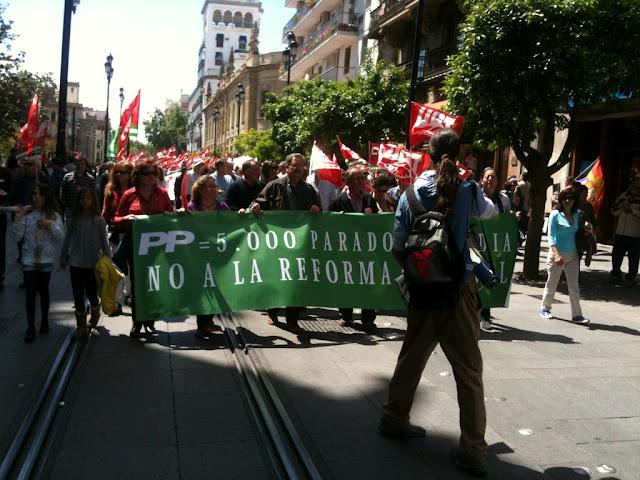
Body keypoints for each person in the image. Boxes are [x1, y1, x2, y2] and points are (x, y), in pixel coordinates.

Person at [379, 129, 495, 478]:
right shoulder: (469, 189)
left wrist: (419, 273)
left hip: (423, 290)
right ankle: (473, 450)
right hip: (459, 291)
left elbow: (398, 246)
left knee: (411, 357)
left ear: (426, 153)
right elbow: (488, 214)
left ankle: (393, 418)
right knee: (469, 372)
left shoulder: (409, 193)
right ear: (460, 153)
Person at [249, 153, 321, 332]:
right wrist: (254, 207)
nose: (297, 170)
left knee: (295, 280)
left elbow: (318, 210)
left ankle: (292, 319)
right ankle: (272, 312)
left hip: (299, 244)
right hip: (277, 243)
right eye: (294, 167)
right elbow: (257, 203)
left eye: (301, 167)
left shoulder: (309, 190)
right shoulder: (274, 186)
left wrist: (316, 209)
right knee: (277, 277)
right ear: (287, 167)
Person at [113, 160, 174, 338]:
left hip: (157, 247)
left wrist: (172, 215)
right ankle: (137, 321)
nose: (151, 177)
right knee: (138, 284)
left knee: (154, 283)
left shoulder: (162, 194)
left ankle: (150, 320)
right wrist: (126, 218)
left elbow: (171, 215)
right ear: (138, 176)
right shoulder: (129, 195)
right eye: (146, 174)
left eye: (154, 174)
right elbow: (115, 218)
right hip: (136, 245)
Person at [328, 167, 379, 332]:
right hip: (346, 251)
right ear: (348, 182)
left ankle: (368, 319)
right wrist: (337, 219)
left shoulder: (369, 199)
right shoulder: (337, 201)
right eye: (356, 178)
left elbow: (379, 222)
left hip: (366, 250)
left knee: (368, 281)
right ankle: (346, 315)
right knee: (346, 281)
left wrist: (374, 217)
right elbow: (327, 223)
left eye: (361, 178)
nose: (360, 181)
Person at [12, 184, 64, 343]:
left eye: (40, 195)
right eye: (34, 194)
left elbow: (61, 237)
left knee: (44, 291)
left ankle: (45, 321)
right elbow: (17, 237)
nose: (36, 197)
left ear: (46, 197)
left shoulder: (54, 216)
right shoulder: (27, 215)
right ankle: (30, 328)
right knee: (30, 292)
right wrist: (19, 220)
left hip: (46, 260)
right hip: (28, 259)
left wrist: (50, 224)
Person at [60, 188, 110, 339]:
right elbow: (67, 239)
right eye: (82, 198)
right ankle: (81, 326)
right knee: (77, 294)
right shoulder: (73, 219)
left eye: (88, 198)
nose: (85, 201)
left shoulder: (99, 220)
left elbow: (104, 242)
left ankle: (95, 311)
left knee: (91, 292)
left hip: (92, 263)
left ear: (93, 200)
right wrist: (62, 257)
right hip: (76, 263)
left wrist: (108, 260)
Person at [185, 176, 230, 337]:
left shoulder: (222, 207)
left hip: (217, 255)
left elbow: (232, 226)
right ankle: (202, 324)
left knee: (215, 287)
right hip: (198, 254)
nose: (211, 189)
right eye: (207, 186)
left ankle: (207, 321)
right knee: (202, 288)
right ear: (200, 189)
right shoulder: (192, 207)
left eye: (213, 186)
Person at [540, 187, 588, 323]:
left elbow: (581, 231)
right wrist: (556, 255)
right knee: (552, 283)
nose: (567, 201)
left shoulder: (578, 215)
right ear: (561, 200)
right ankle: (545, 308)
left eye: (570, 198)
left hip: (573, 255)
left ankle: (577, 315)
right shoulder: (555, 214)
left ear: (575, 201)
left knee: (574, 286)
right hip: (557, 255)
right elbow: (551, 236)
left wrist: (586, 231)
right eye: (565, 198)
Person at [479, 167, 511, 330]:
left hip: (495, 246)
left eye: (493, 177)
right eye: (487, 177)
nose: (490, 180)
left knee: (491, 277)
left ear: (498, 181)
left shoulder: (503, 199)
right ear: (482, 180)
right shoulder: (476, 197)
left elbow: (506, 220)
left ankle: (485, 314)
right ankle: (480, 313)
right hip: (478, 243)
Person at [102, 162, 134, 316]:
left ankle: (129, 294)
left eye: (123, 172)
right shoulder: (110, 190)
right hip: (115, 235)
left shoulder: (135, 191)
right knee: (117, 270)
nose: (120, 175)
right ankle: (118, 302)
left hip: (132, 235)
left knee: (129, 270)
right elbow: (105, 213)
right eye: (117, 172)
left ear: (130, 174)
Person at [610, 176, 640, 286]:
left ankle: (631, 277)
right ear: (631, 186)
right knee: (617, 256)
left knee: (633, 258)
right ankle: (615, 275)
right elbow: (613, 210)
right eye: (636, 187)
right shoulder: (624, 196)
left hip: (635, 235)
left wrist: (632, 211)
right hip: (620, 233)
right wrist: (621, 207)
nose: (637, 189)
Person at [59, 155, 97, 221]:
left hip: (85, 211)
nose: (80, 166)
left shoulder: (90, 179)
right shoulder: (67, 177)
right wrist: (66, 206)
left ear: (85, 165)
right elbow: (62, 193)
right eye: (77, 164)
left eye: (82, 164)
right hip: (70, 210)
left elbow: (94, 195)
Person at [0, 158, 12, 287]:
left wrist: (5, 197)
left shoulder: (6, 173)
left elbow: (11, 194)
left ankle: (0, 274)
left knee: (0, 244)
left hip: (1, 214)